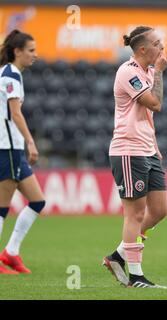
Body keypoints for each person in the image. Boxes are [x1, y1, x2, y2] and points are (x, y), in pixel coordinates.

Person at [103, 26, 167, 288]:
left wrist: (154, 145)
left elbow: (147, 117)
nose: (161, 47)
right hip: (128, 151)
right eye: (157, 43)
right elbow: (155, 104)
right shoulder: (128, 72)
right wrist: (161, 72)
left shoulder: (147, 72)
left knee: (160, 210)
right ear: (143, 49)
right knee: (135, 215)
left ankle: (117, 256)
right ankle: (136, 276)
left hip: (147, 150)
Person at [0, 29, 45, 275]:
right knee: (2, 207)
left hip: (12, 148)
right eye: (30, 51)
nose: (34, 55)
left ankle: (11, 253)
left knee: (37, 201)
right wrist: (31, 142)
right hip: (7, 147)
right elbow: (15, 113)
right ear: (17, 51)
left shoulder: (12, 74)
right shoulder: (10, 75)